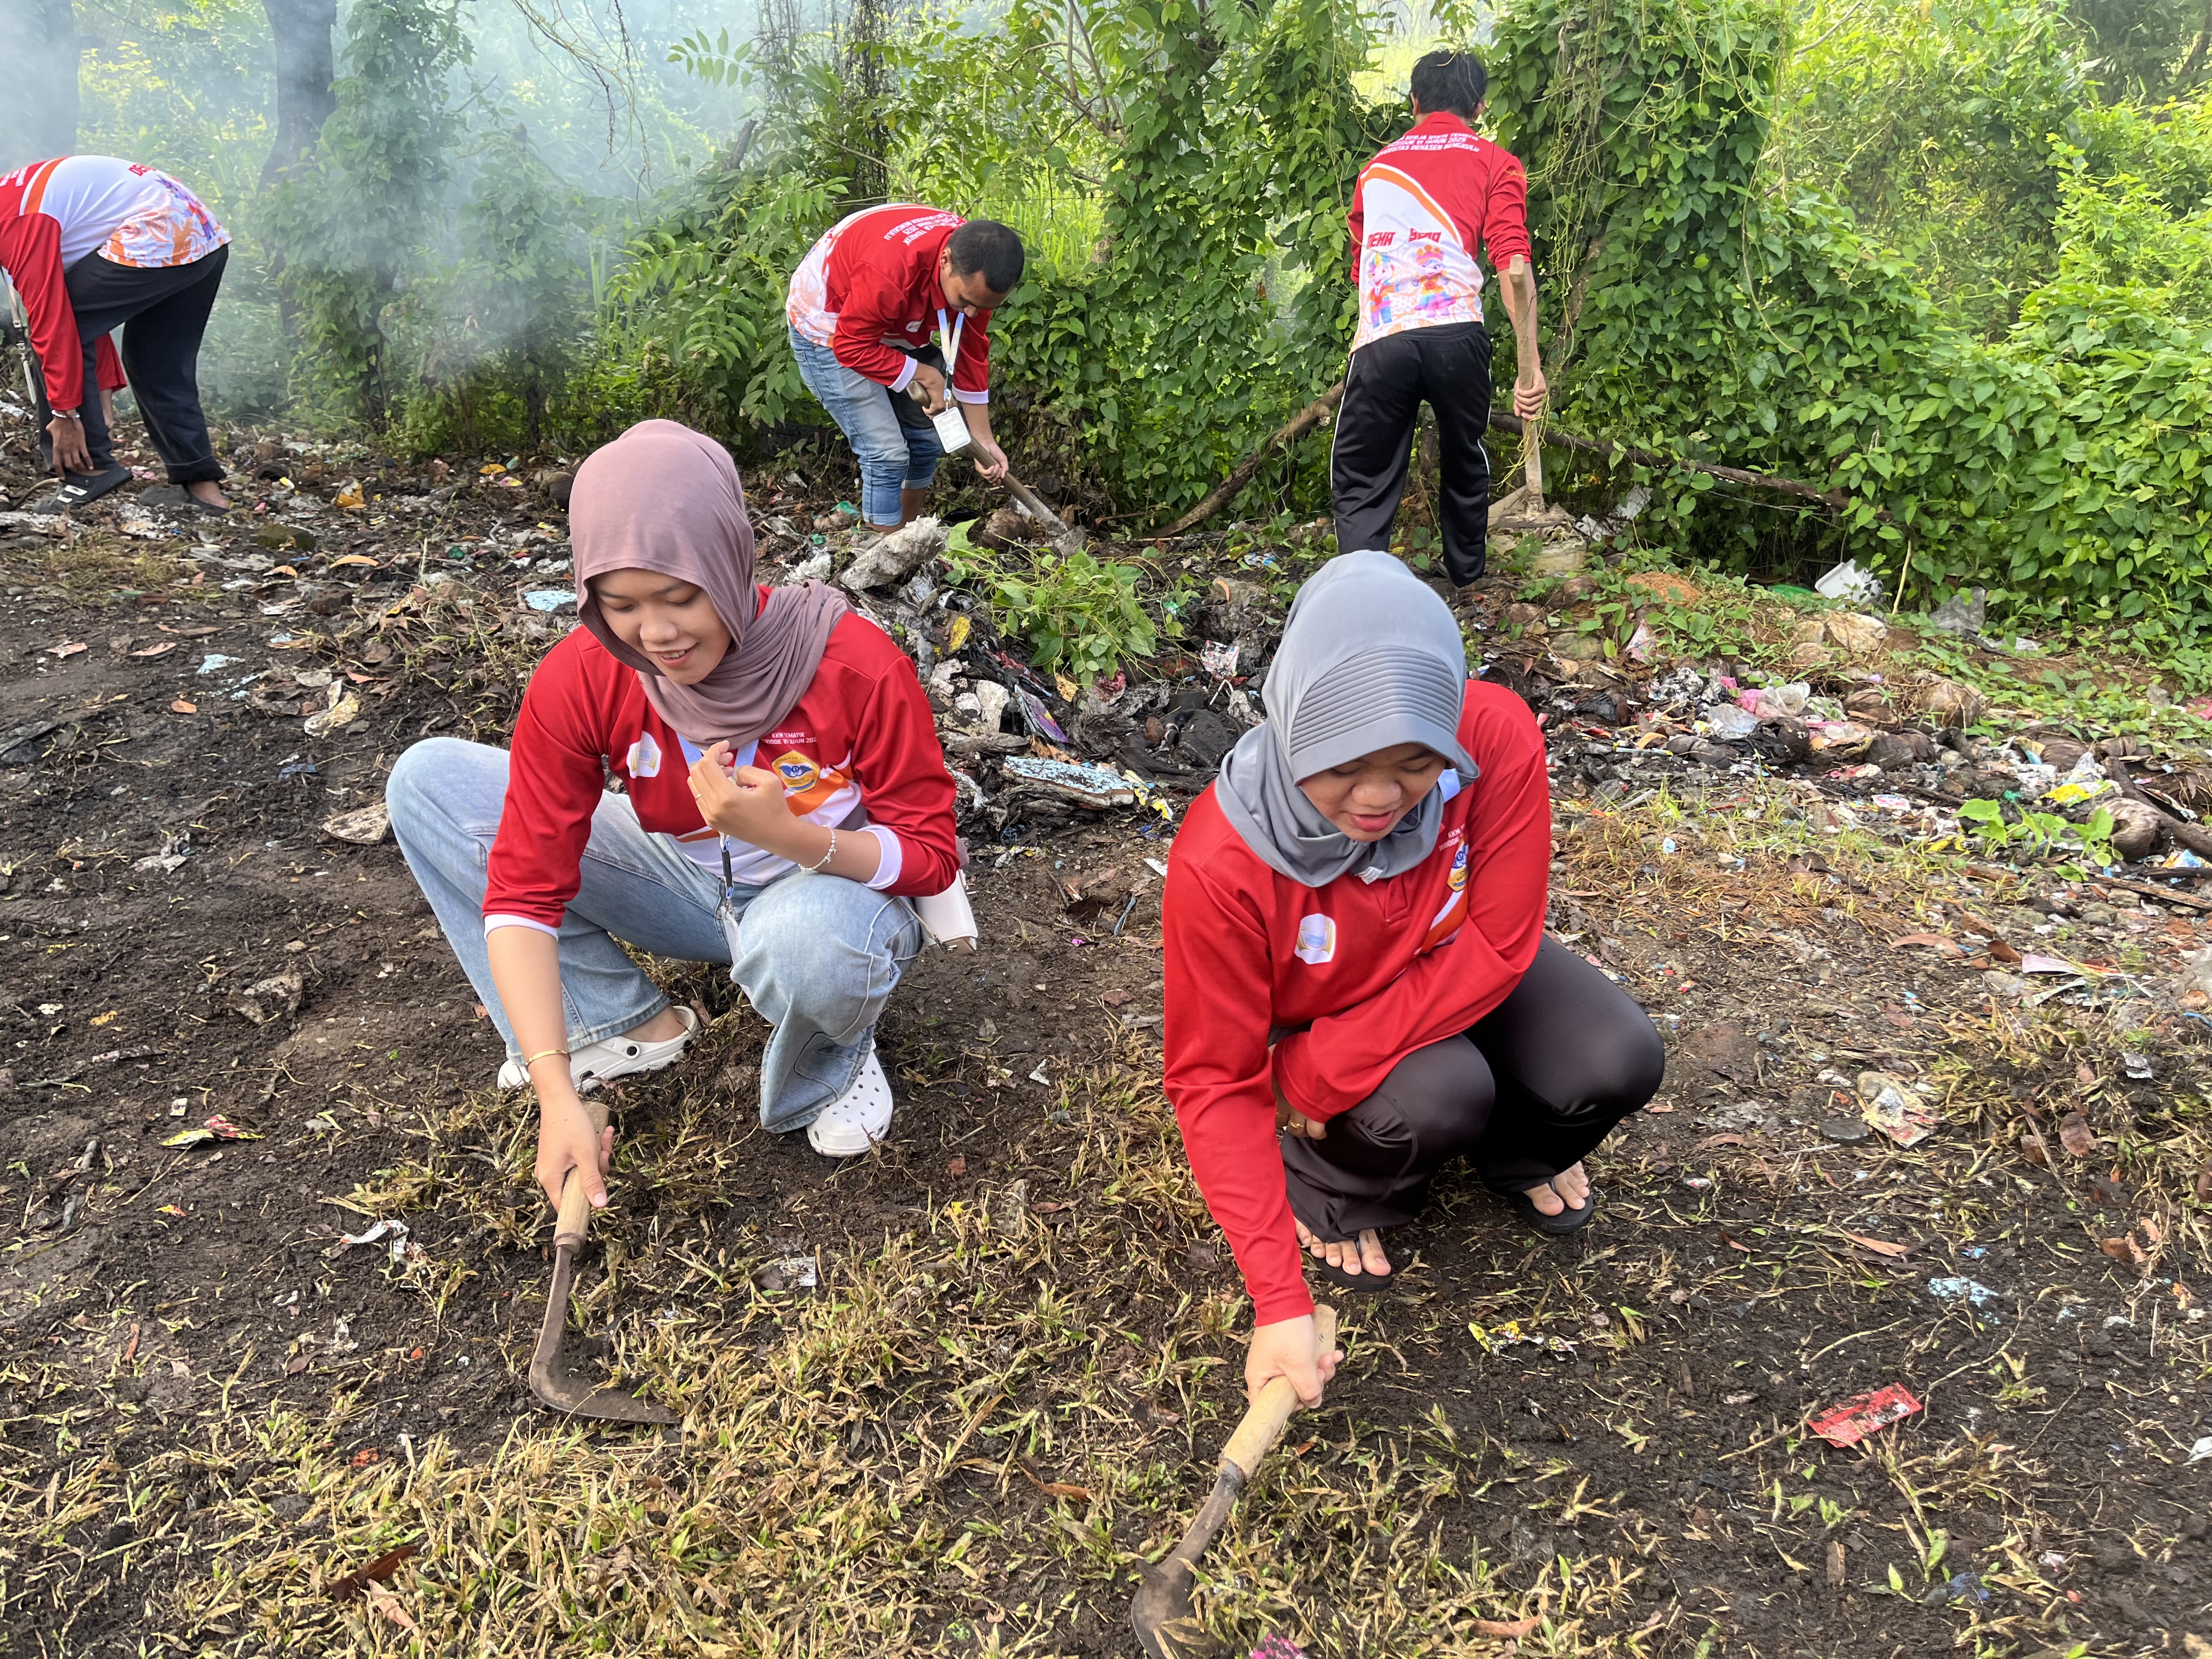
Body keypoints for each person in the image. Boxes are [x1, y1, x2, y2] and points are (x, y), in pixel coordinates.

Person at [385, 420, 963, 1203]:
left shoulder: (851, 663)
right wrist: (555, 1088)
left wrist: (790, 836)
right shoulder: (589, 673)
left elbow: (931, 858)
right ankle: (613, 1025)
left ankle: (834, 1051)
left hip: (831, 894)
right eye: (620, 604)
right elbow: (524, 887)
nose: (656, 634)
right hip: (689, 885)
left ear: (730, 560)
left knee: (811, 947)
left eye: (680, 596)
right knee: (429, 782)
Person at [1163, 552, 1665, 1407]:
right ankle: (1332, 1188)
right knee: (1438, 1098)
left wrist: (1325, 1068)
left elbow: (1500, 940)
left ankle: (1520, 1152)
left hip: (1451, 958)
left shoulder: (1494, 736)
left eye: (1416, 763)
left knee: (1614, 1058)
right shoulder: (1222, 862)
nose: (1378, 797)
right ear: (1291, 725)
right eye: (1342, 766)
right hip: (1327, 1003)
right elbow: (1214, 1081)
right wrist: (1280, 1302)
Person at [1331, 50, 1547, 596]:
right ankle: (1467, 583)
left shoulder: (1376, 169)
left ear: (1414, 102)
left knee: (1363, 471)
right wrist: (1531, 367)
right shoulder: (1496, 161)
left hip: (1384, 338)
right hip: (1457, 336)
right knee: (1465, 456)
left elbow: (1361, 267)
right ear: (1479, 107)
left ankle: (1360, 590)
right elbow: (1513, 264)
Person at [0, 155, 231, 512]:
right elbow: (91, 312)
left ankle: (88, 471)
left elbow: (56, 323)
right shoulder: (13, 200)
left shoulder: (16, 222)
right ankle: (204, 489)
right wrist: (102, 395)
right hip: (201, 234)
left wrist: (65, 416)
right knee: (157, 365)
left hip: (159, 231)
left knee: (55, 336)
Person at [786, 205, 1023, 532]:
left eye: (983, 307)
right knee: (886, 453)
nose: (971, 313)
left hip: (891, 317)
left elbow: (970, 352)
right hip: (830, 326)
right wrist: (923, 373)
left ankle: (903, 536)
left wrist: (985, 440)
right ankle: (882, 552)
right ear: (945, 261)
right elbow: (851, 346)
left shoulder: (979, 271)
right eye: (965, 301)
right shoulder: (891, 271)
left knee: (925, 442)